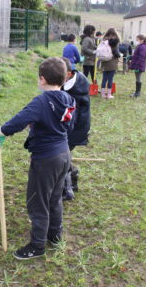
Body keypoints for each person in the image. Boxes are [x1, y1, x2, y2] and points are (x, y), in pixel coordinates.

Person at [0, 57, 75, 260]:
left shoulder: (42, 101)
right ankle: (54, 236)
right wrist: (41, 125)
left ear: (42, 79)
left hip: (46, 159)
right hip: (64, 155)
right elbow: (67, 125)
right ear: (64, 79)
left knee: (38, 202)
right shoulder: (68, 99)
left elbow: (20, 119)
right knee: (54, 198)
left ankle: (37, 245)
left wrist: (0, 133)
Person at [61, 57, 90, 200]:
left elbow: (74, 116)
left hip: (74, 129)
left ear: (69, 73)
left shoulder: (76, 89)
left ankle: (67, 190)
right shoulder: (67, 83)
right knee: (63, 155)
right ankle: (73, 175)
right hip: (70, 128)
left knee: (62, 156)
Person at [100, 28, 121, 99]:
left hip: (104, 62)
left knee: (104, 78)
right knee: (110, 79)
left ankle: (103, 94)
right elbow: (116, 53)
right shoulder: (115, 42)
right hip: (112, 62)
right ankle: (109, 95)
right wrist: (119, 55)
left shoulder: (104, 40)